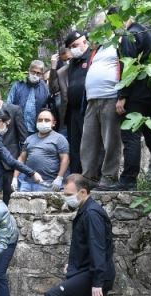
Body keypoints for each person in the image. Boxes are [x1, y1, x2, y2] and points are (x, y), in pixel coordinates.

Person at [111, 15, 151, 191]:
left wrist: (122, 95)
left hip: (136, 94)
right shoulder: (148, 33)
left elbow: (129, 67)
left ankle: (128, 180)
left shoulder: (130, 35)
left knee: (131, 136)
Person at [80, 13, 123, 189]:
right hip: (92, 100)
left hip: (111, 97)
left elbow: (125, 67)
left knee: (111, 140)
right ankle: (88, 177)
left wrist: (122, 96)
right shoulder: (97, 48)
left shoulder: (119, 42)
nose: (97, 30)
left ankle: (109, 176)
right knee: (88, 141)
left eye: (101, 26)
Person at [14, 109, 70, 192]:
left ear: (53, 123)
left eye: (47, 120)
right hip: (27, 183)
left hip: (48, 183)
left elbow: (65, 159)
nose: (43, 122)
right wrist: (15, 178)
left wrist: (59, 178)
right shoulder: (29, 139)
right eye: (40, 120)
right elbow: (21, 159)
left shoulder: (59, 139)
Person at [63, 31, 92, 175]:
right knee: (74, 145)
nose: (73, 48)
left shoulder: (93, 56)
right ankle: (75, 176)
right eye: (71, 47)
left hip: (87, 108)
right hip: (72, 110)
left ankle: (91, 175)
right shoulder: (73, 62)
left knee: (89, 144)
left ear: (85, 42)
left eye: (75, 45)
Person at [8, 60, 50, 134]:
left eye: (38, 73)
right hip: (18, 127)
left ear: (42, 74)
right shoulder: (18, 85)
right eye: (33, 72)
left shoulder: (45, 88)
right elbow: (9, 104)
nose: (35, 75)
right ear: (29, 71)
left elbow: (48, 107)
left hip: (37, 129)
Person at [49, 48, 72, 134]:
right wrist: (53, 67)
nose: (67, 62)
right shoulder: (61, 72)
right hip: (65, 116)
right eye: (64, 60)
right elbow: (53, 88)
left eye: (69, 59)